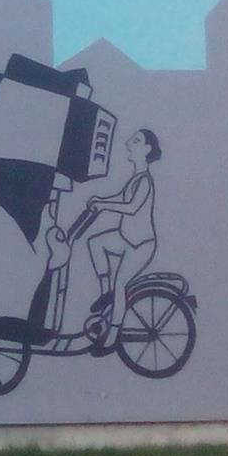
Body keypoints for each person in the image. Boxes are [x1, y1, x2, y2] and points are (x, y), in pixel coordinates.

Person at [81, 128, 161, 351]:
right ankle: (105, 294)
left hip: (140, 245)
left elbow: (132, 207)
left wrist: (104, 205)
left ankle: (112, 336)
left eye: (135, 141)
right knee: (95, 243)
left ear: (147, 149)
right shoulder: (136, 178)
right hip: (126, 238)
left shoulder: (145, 180)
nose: (128, 143)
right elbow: (122, 197)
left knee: (120, 286)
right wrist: (101, 200)